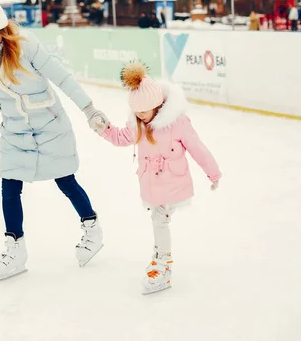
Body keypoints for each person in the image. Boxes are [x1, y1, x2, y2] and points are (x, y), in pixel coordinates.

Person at [0, 0, 109, 281]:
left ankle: (92, 227)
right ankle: (15, 248)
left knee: (66, 181)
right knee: (9, 185)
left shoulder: (26, 46)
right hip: (15, 133)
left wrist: (90, 110)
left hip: (49, 125)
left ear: (5, 29)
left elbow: (63, 78)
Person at [90, 62, 221, 294]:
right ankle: (159, 255)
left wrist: (213, 173)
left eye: (144, 111)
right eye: (136, 112)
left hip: (173, 184)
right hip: (151, 184)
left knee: (160, 221)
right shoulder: (139, 123)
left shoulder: (177, 123)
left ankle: (164, 265)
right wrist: (104, 129)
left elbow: (197, 148)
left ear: (157, 105)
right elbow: (122, 138)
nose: (140, 115)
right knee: (158, 220)